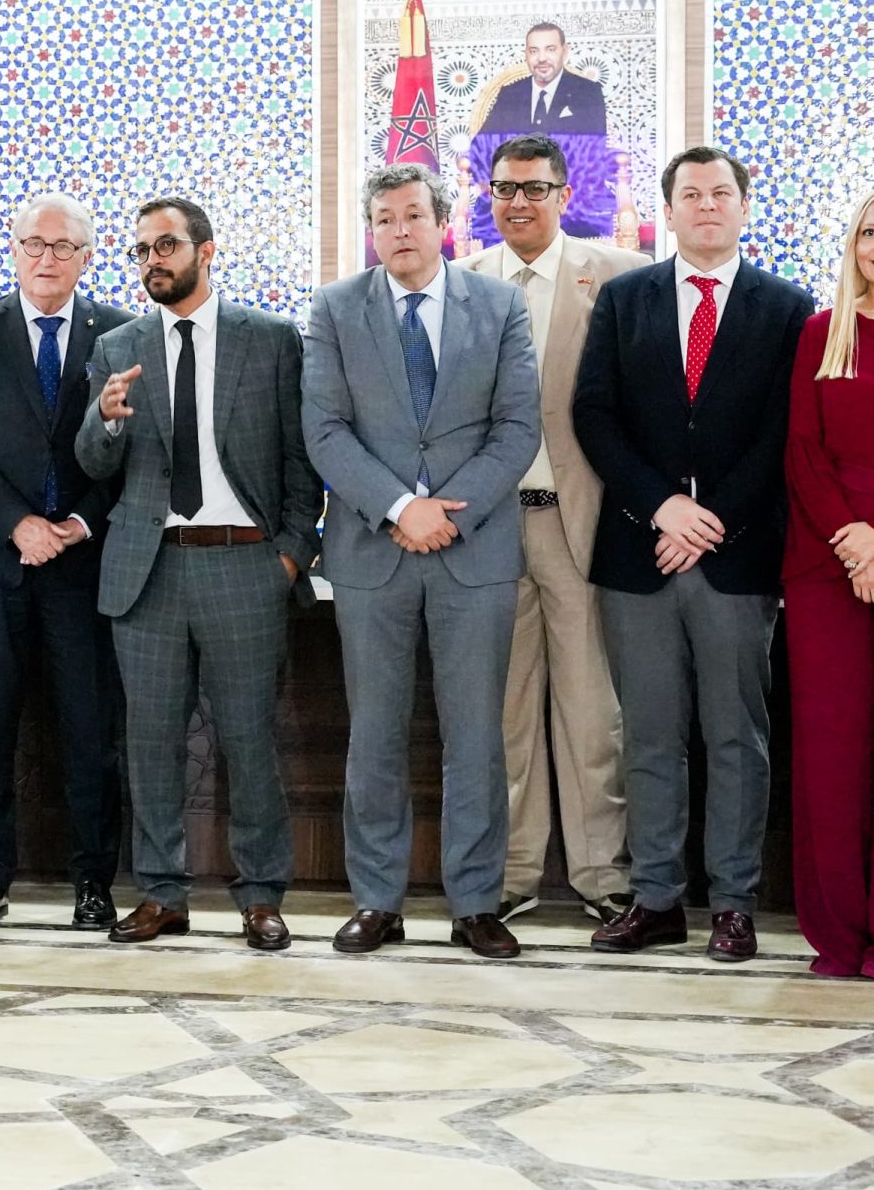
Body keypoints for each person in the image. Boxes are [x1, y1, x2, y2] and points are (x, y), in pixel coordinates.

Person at [576, 145, 811, 963]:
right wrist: (663, 507)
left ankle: (734, 904)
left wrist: (710, 520)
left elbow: (785, 433)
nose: (707, 204)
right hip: (638, 554)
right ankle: (656, 899)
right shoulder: (624, 299)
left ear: (743, 206)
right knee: (648, 735)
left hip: (736, 559)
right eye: (691, 193)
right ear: (668, 210)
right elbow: (594, 413)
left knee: (736, 736)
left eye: (720, 192)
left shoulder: (789, 308)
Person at [304, 164, 540, 960]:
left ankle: (476, 904)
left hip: (474, 549)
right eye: (384, 218)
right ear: (370, 230)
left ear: (443, 222)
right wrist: (401, 506)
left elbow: (518, 427)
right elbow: (325, 429)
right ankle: (378, 899)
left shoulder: (499, 305)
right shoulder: (334, 309)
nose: (399, 230)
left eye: (413, 215)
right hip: (373, 549)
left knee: (475, 736)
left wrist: (445, 513)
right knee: (374, 731)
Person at [77, 197, 319, 951]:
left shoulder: (270, 339)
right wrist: (105, 418)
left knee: (249, 740)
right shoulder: (118, 347)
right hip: (147, 571)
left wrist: (289, 554)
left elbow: (300, 460)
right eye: (142, 250)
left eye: (167, 246)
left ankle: (261, 895)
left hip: (244, 564)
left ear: (205, 251)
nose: (153, 260)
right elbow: (94, 463)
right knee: (149, 744)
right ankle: (161, 893)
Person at [459, 136, 644, 924]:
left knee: (592, 712)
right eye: (505, 188)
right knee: (503, 714)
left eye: (535, 188)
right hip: (489, 530)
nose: (518, 202)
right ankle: (512, 871)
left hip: (583, 524)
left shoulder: (622, 277)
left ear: (565, 196)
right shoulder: (462, 281)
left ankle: (604, 872)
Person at [0, 194, 131, 930]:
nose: (47, 258)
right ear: (13, 250)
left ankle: (93, 883)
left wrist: (79, 522)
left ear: (87, 256)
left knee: (90, 734)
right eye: (34, 244)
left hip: (84, 565)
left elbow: (132, 451)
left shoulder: (120, 332)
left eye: (63, 246)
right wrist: (18, 523)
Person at [786, 189, 874, 978]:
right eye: (869, 233)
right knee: (833, 749)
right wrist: (856, 540)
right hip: (826, 563)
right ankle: (840, 929)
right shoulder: (822, 333)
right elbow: (803, 451)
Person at [479, 22, 609, 137]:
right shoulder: (510, 94)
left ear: (564, 52)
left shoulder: (587, 93)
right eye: (533, 51)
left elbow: (592, 150)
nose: (541, 58)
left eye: (550, 50)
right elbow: (481, 147)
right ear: (526, 55)